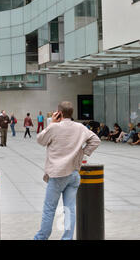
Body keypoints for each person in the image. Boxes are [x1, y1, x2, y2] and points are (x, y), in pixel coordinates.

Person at [34, 101, 100, 240]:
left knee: (49, 209)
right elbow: (96, 140)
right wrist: (82, 152)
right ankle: (67, 238)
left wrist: (51, 123)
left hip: (58, 174)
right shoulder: (80, 127)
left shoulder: (54, 127)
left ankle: (41, 237)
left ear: (59, 113)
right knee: (69, 209)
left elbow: (40, 140)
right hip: (74, 174)